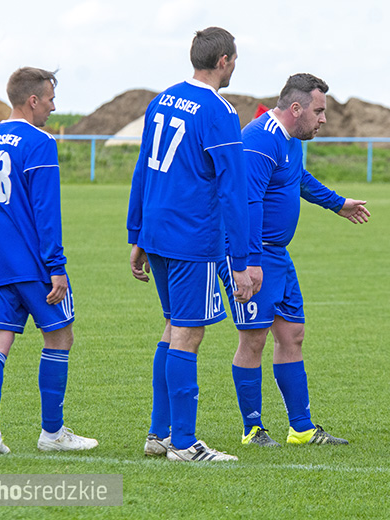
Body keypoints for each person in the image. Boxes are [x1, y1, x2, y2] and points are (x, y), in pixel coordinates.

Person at [217, 73, 370, 447]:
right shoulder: (257, 141)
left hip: (277, 255)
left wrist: (338, 204)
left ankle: (301, 428)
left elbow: (298, 179)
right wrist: (249, 263)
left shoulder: (291, 140)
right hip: (252, 255)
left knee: (292, 335)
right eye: (319, 111)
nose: (323, 120)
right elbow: (247, 205)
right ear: (296, 108)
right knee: (253, 340)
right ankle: (252, 429)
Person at [127, 27, 256, 463]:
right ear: (223, 61)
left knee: (172, 327)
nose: (235, 65)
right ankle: (184, 443)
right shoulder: (219, 111)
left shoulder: (161, 99)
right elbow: (232, 192)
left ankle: (159, 434)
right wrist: (240, 260)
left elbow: (143, 170)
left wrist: (137, 234)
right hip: (192, 237)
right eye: (234, 60)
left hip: (158, 233)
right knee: (188, 333)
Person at [0, 67, 98, 455]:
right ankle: (52, 434)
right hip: (35, 266)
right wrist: (56, 266)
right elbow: (46, 211)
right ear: (33, 100)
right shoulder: (40, 142)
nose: (55, 108)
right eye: (51, 99)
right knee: (60, 336)